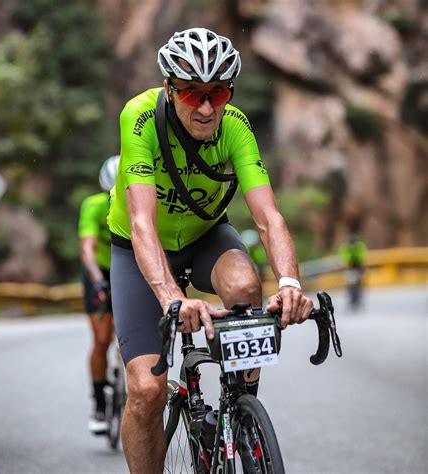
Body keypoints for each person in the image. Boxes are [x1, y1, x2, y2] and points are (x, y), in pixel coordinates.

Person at [107, 28, 314, 473]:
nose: (205, 107)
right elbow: (142, 222)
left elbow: (268, 217)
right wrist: (170, 298)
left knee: (244, 285)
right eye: (191, 94)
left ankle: (239, 411)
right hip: (141, 251)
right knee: (146, 391)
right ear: (170, 89)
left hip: (205, 238)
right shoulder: (139, 117)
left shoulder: (235, 127)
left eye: (217, 93)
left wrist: (292, 283)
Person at [78, 155, 119, 435]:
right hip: (100, 272)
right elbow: (88, 250)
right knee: (102, 338)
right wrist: (98, 282)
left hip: (131, 266)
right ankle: (99, 405)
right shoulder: (93, 205)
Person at [338, 232, 368, 309]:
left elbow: (363, 257)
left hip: (358, 266)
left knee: (359, 284)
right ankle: (351, 300)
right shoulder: (346, 247)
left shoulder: (360, 246)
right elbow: (344, 257)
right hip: (350, 267)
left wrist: (362, 266)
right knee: (350, 284)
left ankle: (358, 300)